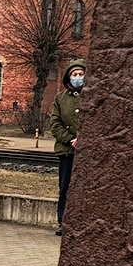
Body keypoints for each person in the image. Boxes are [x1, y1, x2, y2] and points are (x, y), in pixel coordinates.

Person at [50, 59, 86, 236]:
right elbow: (55, 123)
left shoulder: (91, 96)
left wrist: (84, 139)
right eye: (74, 74)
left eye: (81, 74)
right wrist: (70, 139)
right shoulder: (60, 98)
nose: (78, 78)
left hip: (86, 152)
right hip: (66, 150)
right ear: (68, 77)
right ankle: (62, 221)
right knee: (65, 187)